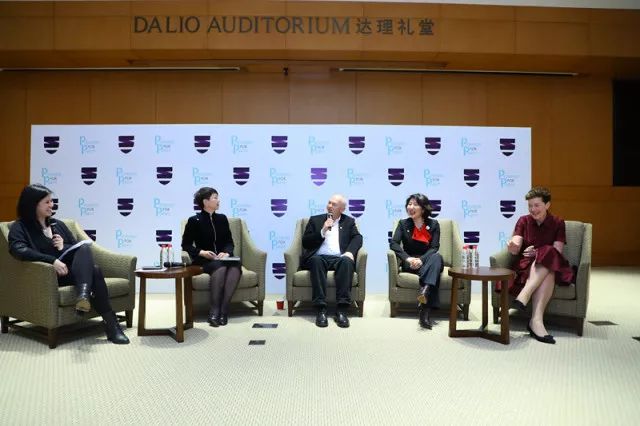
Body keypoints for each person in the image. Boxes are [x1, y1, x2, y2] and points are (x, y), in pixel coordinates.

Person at [8, 184, 129, 344]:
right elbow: (18, 250)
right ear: (33, 204)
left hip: (70, 273)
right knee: (94, 271)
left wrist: (62, 246)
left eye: (52, 201)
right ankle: (112, 326)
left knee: (87, 254)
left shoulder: (57, 224)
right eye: (47, 202)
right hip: (47, 277)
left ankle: (84, 297)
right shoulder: (20, 227)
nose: (52, 205)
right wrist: (52, 261)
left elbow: (76, 249)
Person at [506, 187, 574, 344]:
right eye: (530, 206)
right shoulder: (523, 220)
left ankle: (524, 295)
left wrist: (537, 252)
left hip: (553, 262)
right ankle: (536, 322)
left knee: (549, 253)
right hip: (528, 267)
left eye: (536, 205)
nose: (532, 209)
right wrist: (513, 246)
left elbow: (557, 251)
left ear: (547, 205)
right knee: (549, 272)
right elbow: (516, 242)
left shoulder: (558, 222)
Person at [182, 187, 241, 327]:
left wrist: (227, 253)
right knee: (220, 267)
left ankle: (224, 310)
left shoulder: (222, 219)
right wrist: (202, 252)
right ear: (205, 202)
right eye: (215, 197)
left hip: (224, 258)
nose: (218, 200)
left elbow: (229, 242)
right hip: (205, 260)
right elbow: (186, 245)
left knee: (235, 266)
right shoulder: (194, 220)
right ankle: (214, 311)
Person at [301, 194, 362, 328]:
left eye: (334, 204)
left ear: (342, 209)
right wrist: (322, 231)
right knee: (316, 261)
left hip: (339, 258)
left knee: (346, 262)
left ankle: (341, 310)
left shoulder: (349, 222)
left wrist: (350, 252)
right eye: (329, 203)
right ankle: (321, 310)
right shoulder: (315, 220)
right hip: (319, 257)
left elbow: (358, 238)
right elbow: (305, 242)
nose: (329, 206)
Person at [390, 193, 443, 329]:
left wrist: (421, 260)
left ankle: (425, 293)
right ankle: (425, 304)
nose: (411, 207)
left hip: (428, 260)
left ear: (423, 209)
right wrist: (408, 258)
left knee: (437, 257)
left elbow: (434, 247)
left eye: (415, 204)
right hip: (410, 262)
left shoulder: (433, 224)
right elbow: (394, 243)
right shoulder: (403, 224)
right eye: (409, 204)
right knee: (433, 272)